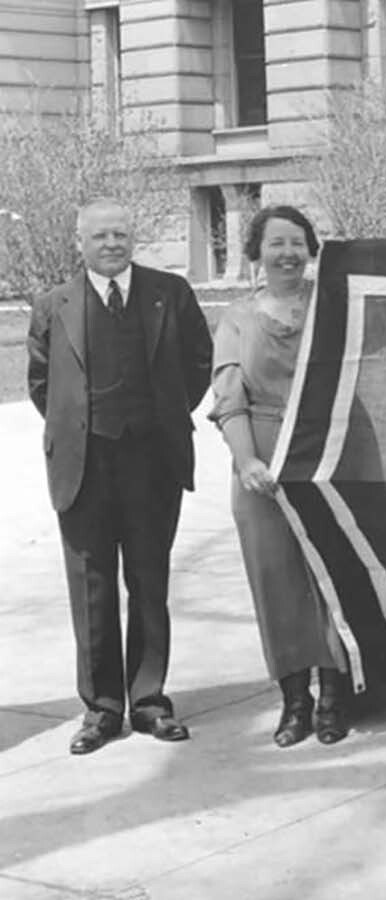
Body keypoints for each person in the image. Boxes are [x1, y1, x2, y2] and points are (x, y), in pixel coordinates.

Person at [26, 199, 214, 755]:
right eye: (101, 235)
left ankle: (150, 700)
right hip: (83, 466)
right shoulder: (53, 304)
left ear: (135, 240)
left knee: (149, 582)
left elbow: (197, 365)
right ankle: (101, 707)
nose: (112, 244)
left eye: (122, 234)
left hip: (152, 463)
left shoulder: (169, 294)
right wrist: (78, 428)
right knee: (92, 589)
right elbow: (42, 384)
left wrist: (162, 418)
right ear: (79, 242)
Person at [210, 205, 351, 747]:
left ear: (311, 250)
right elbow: (229, 399)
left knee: (332, 577)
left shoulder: (334, 307)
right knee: (277, 583)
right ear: (256, 253)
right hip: (263, 462)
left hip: (329, 455)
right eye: (276, 243)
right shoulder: (238, 318)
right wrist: (246, 461)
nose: (288, 253)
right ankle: (296, 701)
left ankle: (336, 698)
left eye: (297, 242)